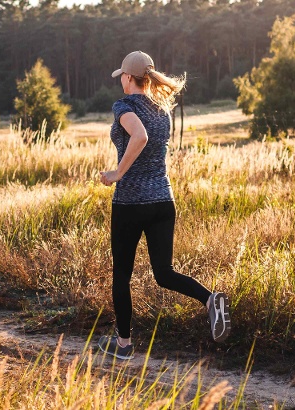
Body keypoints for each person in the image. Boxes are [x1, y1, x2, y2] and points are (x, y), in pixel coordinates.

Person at [96, 51, 230, 360]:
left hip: (130, 203)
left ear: (129, 78)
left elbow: (139, 136)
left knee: (122, 275)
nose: (121, 82)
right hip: (163, 201)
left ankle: (125, 345)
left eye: (122, 77)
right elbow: (145, 139)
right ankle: (210, 300)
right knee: (164, 272)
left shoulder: (124, 106)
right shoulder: (162, 109)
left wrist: (117, 173)